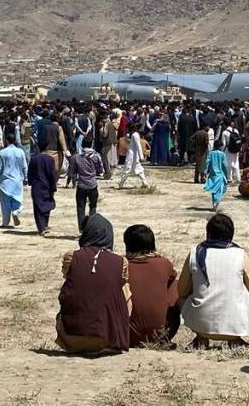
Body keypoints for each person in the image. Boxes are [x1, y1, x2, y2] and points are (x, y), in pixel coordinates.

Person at [178, 214, 249, 349]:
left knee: (183, 297)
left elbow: (181, 290)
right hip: (234, 326)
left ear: (208, 233)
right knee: (246, 295)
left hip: (201, 325)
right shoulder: (239, 254)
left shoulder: (195, 252)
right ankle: (236, 339)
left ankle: (201, 338)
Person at [56, 214, 131, 354]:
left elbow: (70, 277)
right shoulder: (121, 262)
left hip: (71, 337)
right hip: (106, 339)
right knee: (124, 288)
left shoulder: (71, 257)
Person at [123, 224, 180, 347]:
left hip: (126, 335)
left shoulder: (121, 266)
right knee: (174, 284)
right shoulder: (164, 264)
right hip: (160, 335)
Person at [0, 133, 28, 228]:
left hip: (5, 182)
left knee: (5, 204)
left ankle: (5, 222)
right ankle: (16, 211)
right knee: (18, 200)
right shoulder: (20, 152)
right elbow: (24, 166)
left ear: (6, 141)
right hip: (17, 180)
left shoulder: (2, 153)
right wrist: (26, 177)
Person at [67, 146, 103, 232]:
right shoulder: (96, 156)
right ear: (91, 145)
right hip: (92, 185)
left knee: (80, 208)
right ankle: (91, 228)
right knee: (93, 207)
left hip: (81, 185)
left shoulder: (77, 157)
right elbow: (100, 170)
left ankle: (81, 229)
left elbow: (72, 172)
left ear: (82, 145)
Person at [27, 150, 58, 235]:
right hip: (47, 186)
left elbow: (30, 172)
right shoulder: (50, 159)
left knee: (37, 207)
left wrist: (30, 182)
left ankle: (41, 228)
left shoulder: (33, 159)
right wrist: (54, 186)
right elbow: (52, 174)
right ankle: (45, 225)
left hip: (37, 186)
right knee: (47, 204)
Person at [118, 124, 148, 189]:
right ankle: (144, 183)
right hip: (133, 155)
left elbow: (138, 145)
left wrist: (141, 157)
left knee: (128, 169)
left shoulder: (135, 135)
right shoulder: (133, 134)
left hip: (132, 155)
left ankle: (121, 184)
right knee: (138, 169)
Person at [204, 141, 229, 212]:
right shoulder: (222, 154)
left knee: (213, 190)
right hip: (220, 175)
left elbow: (207, 163)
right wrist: (226, 174)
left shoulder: (210, 153)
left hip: (212, 175)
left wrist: (207, 171)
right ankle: (216, 202)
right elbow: (224, 165)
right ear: (220, 146)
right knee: (219, 189)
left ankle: (214, 202)